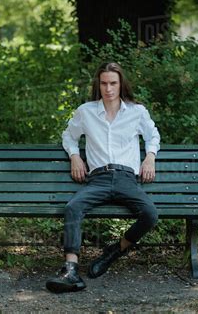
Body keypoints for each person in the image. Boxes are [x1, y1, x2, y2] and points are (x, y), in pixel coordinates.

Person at [46, 62, 160, 293]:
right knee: (73, 207)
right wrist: (75, 157)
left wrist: (150, 158)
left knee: (150, 215)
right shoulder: (86, 111)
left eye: (113, 83)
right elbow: (68, 137)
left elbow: (153, 136)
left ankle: (114, 251)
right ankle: (70, 270)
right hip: (97, 178)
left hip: (127, 178)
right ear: (98, 85)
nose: (108, 88)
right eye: (104, 83)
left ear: (121, 84)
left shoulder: (137, 112)